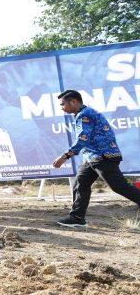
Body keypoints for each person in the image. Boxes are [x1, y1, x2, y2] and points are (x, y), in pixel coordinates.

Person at [52, 90, 140, 228]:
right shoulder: (84, 113)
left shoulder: (84, 115)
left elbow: (83, 139)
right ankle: (77, 218)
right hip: (92, 157)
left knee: (119, 187)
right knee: (80, 184)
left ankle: (77, 217)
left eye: (63, 104)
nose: (61, 107)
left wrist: (64, 157)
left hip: (103, 157)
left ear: (74, 101)